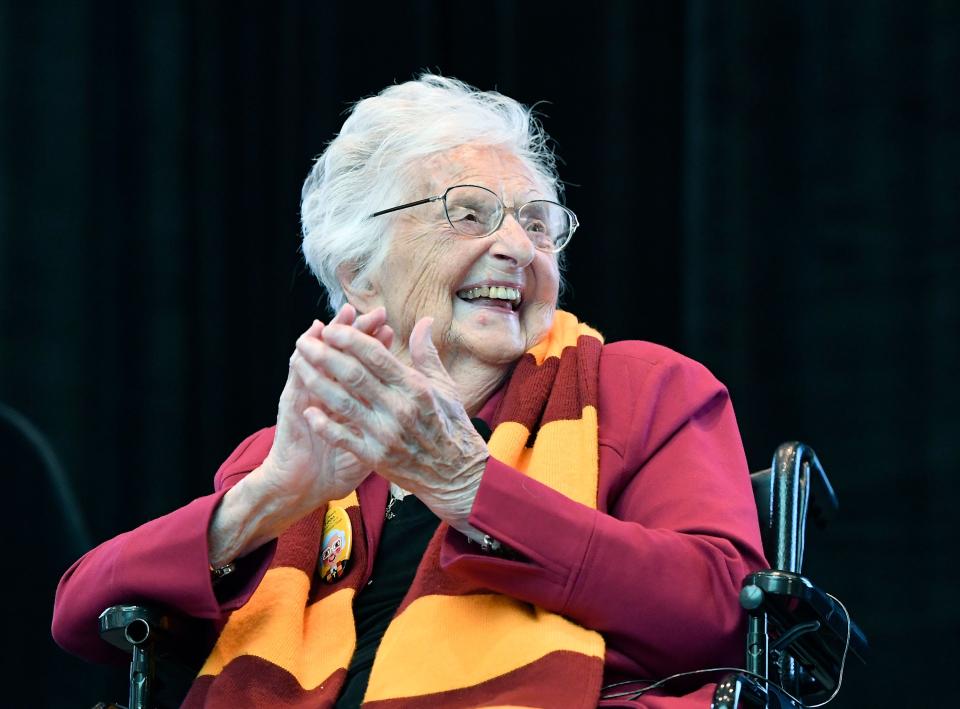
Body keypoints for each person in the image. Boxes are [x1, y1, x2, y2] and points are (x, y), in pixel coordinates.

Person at [52, 74, 766, 708]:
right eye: (469, 213)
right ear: (360, 270)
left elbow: (726, 615)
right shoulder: (293, 450)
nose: (519, 247)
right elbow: (82, 614)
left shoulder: (642, 389)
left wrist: (470, 486)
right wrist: (271, 495)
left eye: (538, 223)